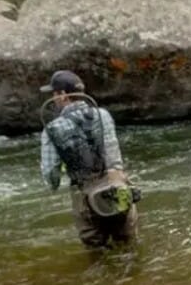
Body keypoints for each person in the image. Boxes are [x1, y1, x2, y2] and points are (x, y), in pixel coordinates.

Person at [39, 70, 139, 249]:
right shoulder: (104, 115)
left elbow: (51, 178)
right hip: (118, 188)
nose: (53, 99)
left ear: (63, 95)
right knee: (128, 247)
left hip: (84, 196)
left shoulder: (52, 129)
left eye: (54, 94)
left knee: (96, 252)